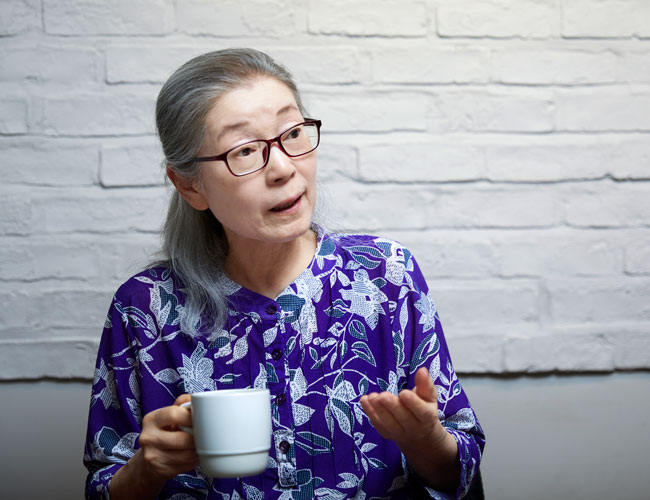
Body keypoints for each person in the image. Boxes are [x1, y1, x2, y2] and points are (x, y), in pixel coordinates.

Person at [83, 48, 485, 500]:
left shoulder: (386, 274)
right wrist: (146, 469)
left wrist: (425, 441)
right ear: (190, 185)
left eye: (292, 133)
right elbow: (103, 487)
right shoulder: (144, 307)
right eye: (245, 150)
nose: (283, 167)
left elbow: (461, 466)